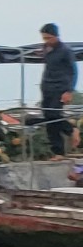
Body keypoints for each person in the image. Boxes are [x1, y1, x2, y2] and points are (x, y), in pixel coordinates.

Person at [40, 24, 75, 155]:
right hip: (47, 87)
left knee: (54, 115)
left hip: (60, 88)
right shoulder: (46, 49)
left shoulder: (65, 50)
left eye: (49, 38)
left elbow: (73, 71)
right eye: (44, 38)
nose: (47, 41)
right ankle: (58, 152)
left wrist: (69, 91)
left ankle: (71, 129)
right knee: (48, 119)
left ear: (56, 36)